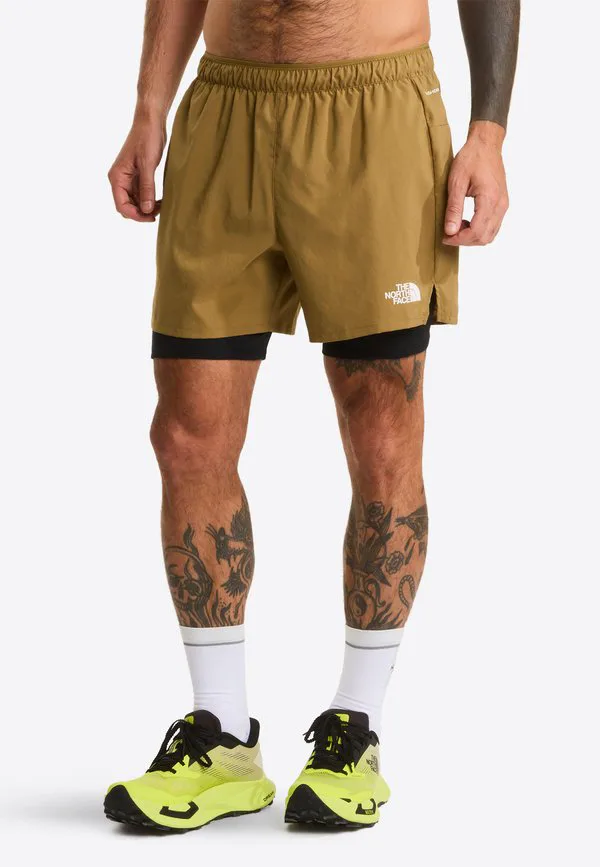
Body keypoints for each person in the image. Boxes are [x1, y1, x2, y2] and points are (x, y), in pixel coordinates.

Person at [105, 0, 519, 831]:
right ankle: (222, 734)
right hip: (225, 112)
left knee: (382, 430)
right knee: (185, 434)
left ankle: (354, 728)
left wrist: (488, 132)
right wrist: (149, 106)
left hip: (373, 112)